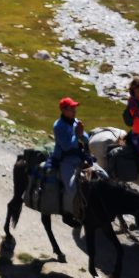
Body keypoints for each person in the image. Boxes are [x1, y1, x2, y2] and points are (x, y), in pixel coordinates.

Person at [50, 96, 92, 227]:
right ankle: (67, 214)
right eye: (71, 108)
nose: (75, 110)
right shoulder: (58, 126)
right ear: (63, 110)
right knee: (72, 188)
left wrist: (82, 134)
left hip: (79, 157)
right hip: (65, 160)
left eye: (75, 108)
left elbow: (86, 139)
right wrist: (76, 133)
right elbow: (67, 146)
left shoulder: (75, 121)